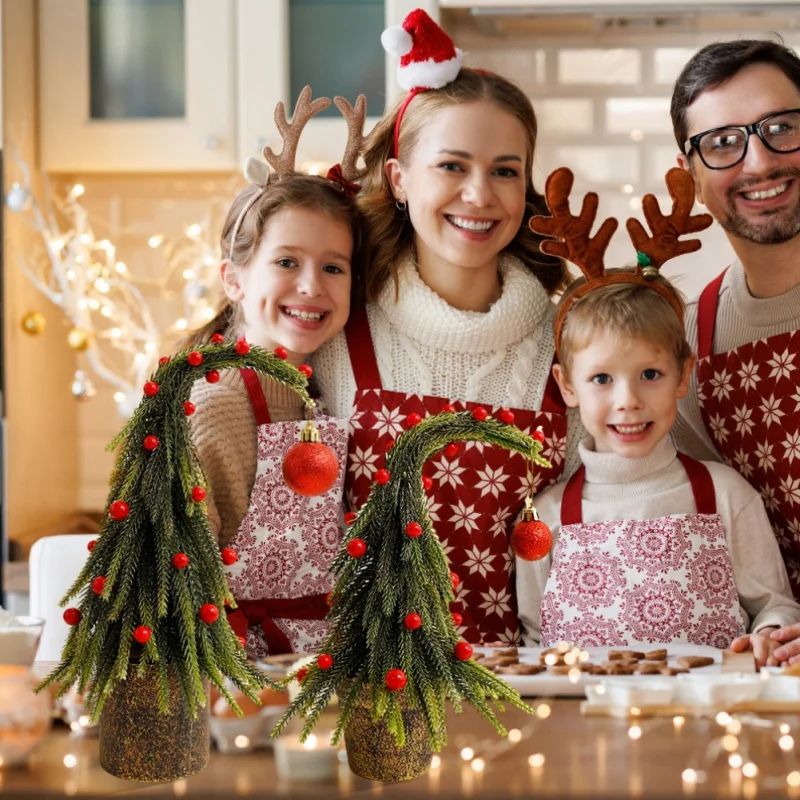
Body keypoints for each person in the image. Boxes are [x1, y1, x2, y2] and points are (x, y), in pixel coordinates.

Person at [312, 9, 580, 645]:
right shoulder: (332, 332)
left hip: (528, 694)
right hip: (364, 690)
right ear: (400, 180)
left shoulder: (568, 340)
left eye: (505, 170)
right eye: (452, 166)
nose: (481, 195)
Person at [516, 167, 800, 666]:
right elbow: (535, 639)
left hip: (711, 727)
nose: (627, 400)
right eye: (602, 379)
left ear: (682, 375)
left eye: (649, 374)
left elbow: (774, 606)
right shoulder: (547, 515)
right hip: (589, 734)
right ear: (567, 386)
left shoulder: (725, 494)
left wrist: (771, 634)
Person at [185, 87, 368, 658]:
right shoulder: (216, 403)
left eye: (332, 267)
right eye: (287, 262)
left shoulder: (323, 388)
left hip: (320, 661)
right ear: (234, 279)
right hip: (241, 670)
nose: (312, 285)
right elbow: (181, 575)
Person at [669, 39, 800, 661]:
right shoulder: (690, 338)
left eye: (782, 128)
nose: (759, 161)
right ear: (689, 175)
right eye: (723, 142)